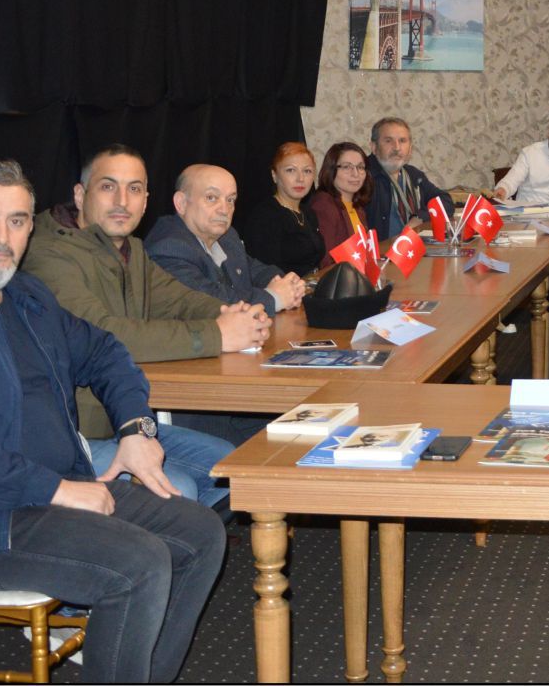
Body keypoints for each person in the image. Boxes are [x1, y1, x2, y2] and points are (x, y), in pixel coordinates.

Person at [0, 159, 224, 683]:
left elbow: (105, 352)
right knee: (137, 564)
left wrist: (135, 429)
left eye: (16, 221)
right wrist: (59, 490)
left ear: (31, 228)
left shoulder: (26, 297)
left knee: (200, 532)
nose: (1, 237)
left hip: (52, 493)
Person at [22, 144, 270, 507]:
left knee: (232, 463)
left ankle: (181, 533)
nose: (122, 201)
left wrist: (239, 314)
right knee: (180, 490)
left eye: (134, 189)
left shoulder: (130, 251)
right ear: (80, 194)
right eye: (108, 187)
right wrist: (218, 334)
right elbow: (105, 333)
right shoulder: (48, 255)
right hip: (72, 435)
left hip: (124, 418)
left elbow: (179, 299)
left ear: (145, 200)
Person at [146, 164, 307, 316]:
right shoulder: (168, 248)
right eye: (211, 198)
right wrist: (274, 297)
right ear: (181, 203)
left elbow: (252, 268)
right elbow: (211, 302)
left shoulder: (227, 235)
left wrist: (285, 283)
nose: (224, 210)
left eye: (230, 200)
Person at [238, 142, 326, 276]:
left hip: (312, 284)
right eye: (291, 170)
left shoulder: (308, 213)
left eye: (307, 171)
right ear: (274, 175)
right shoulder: (264, 216)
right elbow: (266, 273)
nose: (300, 178)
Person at [364, 117, 453, 243]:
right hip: (382, 252)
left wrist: (420, 217)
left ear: (410, 148)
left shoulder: (413, 175)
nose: (396, 147)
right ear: (374, 147)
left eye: (402, 141)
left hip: (412, 248)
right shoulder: (362, 177)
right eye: (388, 141)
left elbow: (446, 202)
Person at [309, 141, 375, 262]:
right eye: (346, 167)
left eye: (360, 167)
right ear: (331, 170)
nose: (355, 174)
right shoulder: (324, 205)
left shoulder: (357, 206)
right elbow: (326, 261)